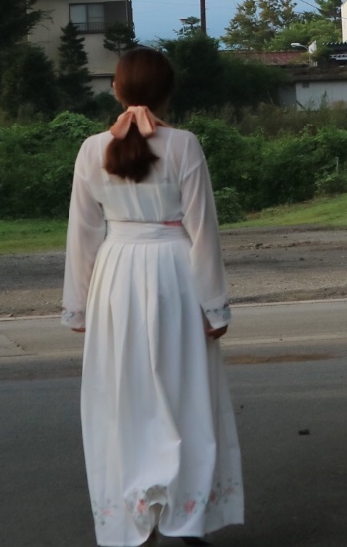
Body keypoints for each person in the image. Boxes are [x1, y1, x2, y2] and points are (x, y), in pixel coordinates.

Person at [63, 47, 244, 546]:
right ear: (168, 92)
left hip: (116, 275)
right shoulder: (183, 145)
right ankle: (187, 518)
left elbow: (82, 233)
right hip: (174, 273)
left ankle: (134, 520)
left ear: (117, 90)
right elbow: (203, 230)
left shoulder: (90, 148)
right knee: (183, 394)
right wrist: (214, 305)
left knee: (123, 396)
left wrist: (78, 304)